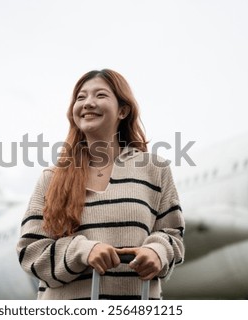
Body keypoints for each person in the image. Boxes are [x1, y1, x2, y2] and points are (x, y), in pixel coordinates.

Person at [16, 69, 185, 299]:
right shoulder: (51, 178)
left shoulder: (155, 169)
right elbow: (30, 253)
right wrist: (82, 251)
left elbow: (173, 236)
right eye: (81, 97)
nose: (88, 103)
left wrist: (158, 251)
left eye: (100, 95)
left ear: (123, 111)